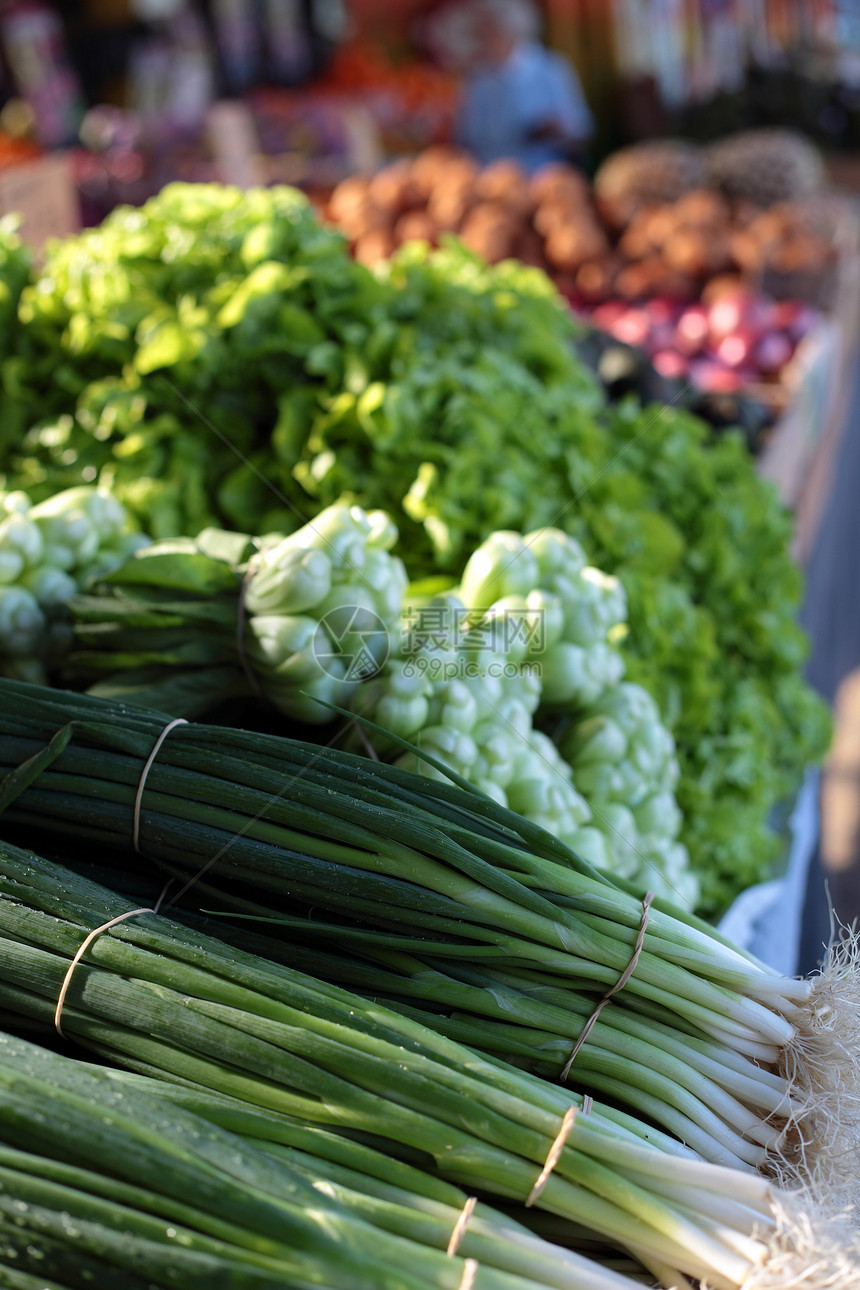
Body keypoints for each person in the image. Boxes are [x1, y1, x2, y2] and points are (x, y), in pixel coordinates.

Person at [455, 0, 593, 174]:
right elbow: (467, 137)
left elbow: (579, 128)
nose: (482, 38)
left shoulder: (550, 69)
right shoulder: (478, 78)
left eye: (489, 31)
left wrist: (552, 128)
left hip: (543, 174)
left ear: (509, 30)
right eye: (480, 33)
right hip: (491, 177)